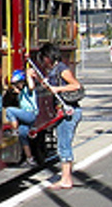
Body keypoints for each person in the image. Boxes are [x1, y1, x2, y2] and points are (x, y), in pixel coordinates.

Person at [35, 42, 82, 189]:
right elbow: (48, 86)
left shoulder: (62, 69)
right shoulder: (54, 70)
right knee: (63, 144)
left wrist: (58, 88)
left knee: (64, 145)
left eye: (44, 58)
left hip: (69, 111)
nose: (43, 61)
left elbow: (76, 85)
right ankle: (65, 177)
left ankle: (66, 179)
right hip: (63, 111)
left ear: (49, 57)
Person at [3, 68, 38, 166]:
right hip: (26, 116)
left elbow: (31, 86)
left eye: (18, 83)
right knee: (23, 136)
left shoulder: (28, 89)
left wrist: (28, 76)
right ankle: (30, 158)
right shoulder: (21, 92)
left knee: (10, 110)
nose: (17, 86)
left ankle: (14, 130)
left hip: (30, 114)